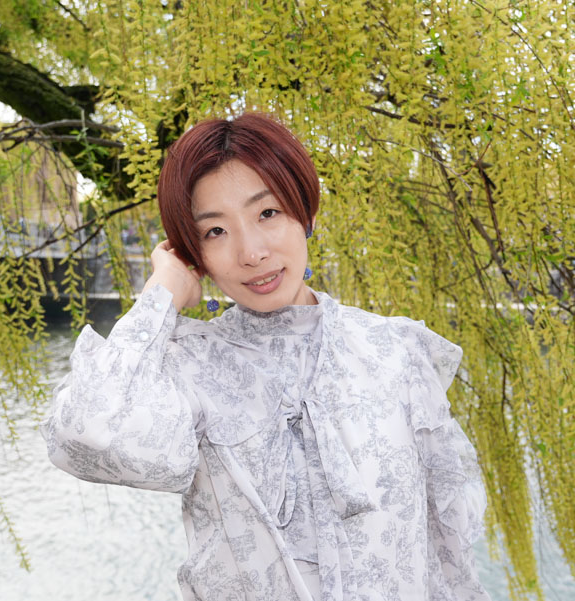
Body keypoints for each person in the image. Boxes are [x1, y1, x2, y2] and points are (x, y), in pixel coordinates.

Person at [41, 113, 491, 601]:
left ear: (306, 212)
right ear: (193, 253)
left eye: (268, 213)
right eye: (215, 231)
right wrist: (161, 293)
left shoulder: (396, 351)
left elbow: (447, 548)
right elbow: (87, 433)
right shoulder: (189, 368)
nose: (251, 252)